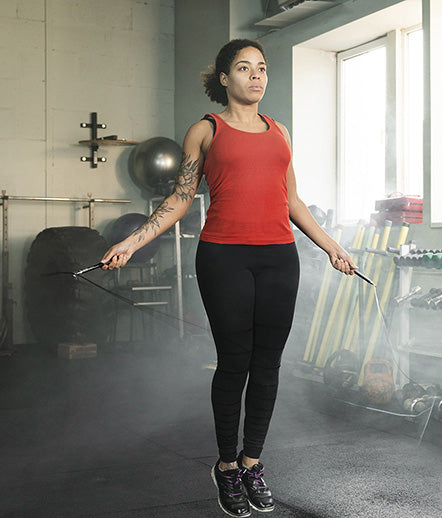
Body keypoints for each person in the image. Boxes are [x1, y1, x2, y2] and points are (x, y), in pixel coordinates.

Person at [101, 38, 357, 517]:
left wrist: (332, 246)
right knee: (235, 362)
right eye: (244, 68)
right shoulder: (205, 130)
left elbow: (293, 200)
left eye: (262, 68)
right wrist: (132, 242)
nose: (256, 76)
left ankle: (252, 461)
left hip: (280, 256)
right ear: (224, 78)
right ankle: (225, 467)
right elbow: (180, 198)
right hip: (224, 257)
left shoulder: (279, 130)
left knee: (269, 365)